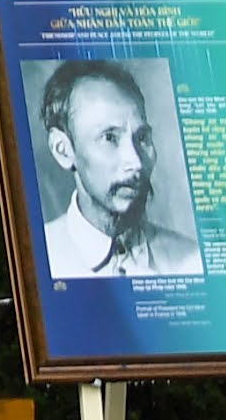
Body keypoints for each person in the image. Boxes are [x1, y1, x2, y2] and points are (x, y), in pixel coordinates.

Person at [37, 59, 198, 280]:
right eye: (109, 138)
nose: (136, 163)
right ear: (63, 150)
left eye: (142, 138)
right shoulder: (38, 258)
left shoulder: (192, 260)